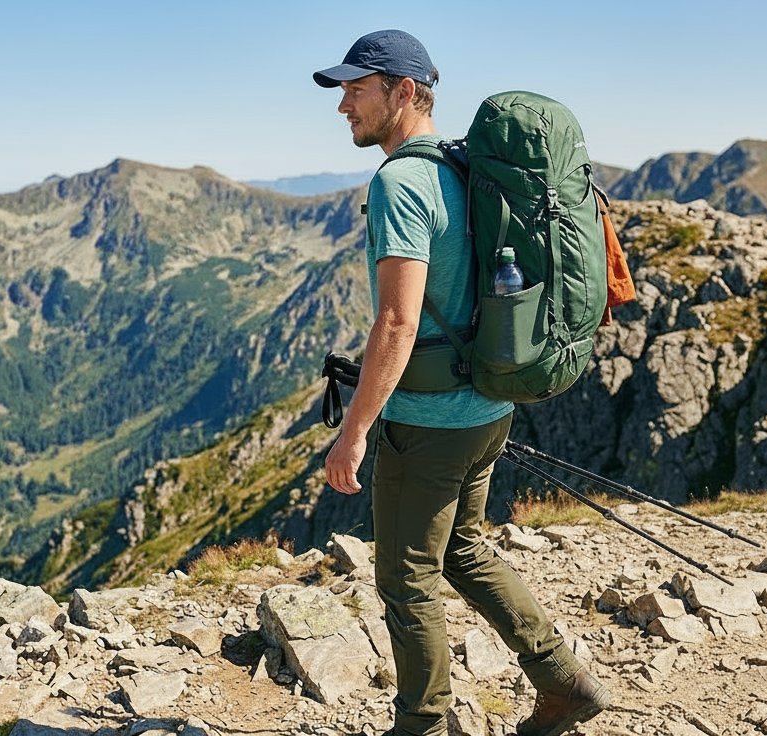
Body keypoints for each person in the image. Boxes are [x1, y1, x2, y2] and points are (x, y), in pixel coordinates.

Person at [313, 29, 611, 736]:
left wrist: (353, 432)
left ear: (405, 91)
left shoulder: (401, 181)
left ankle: (424, 725)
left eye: (357, 89)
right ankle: (565, 683)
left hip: (429, 421)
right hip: (488, 403)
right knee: (464, 549)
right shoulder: (465, 169)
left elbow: (396, 323)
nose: (343, 105)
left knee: (406, 580)